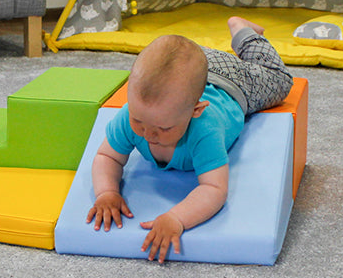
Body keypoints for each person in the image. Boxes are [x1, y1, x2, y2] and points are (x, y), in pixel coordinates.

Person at [86, 17, 293, 263]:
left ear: (196, 111)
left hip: (232, 80)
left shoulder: (204, 130)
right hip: (185, 73)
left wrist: (176, 218)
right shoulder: (130, 114)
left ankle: (243, 33)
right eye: (138, 121)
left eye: (163, 128)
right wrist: (107, 192)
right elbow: (106, 156)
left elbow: (214, 189)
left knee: (279, 80)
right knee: (176, 66)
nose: (148, 134)